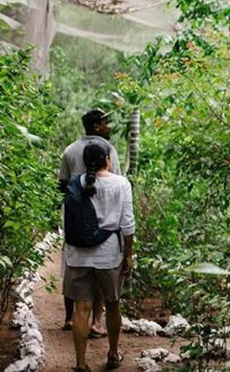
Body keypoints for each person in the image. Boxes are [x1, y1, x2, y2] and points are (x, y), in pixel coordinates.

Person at [64, 142, 135, 372]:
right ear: (107, 159)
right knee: (112, 304)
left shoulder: (76, 184)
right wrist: (128, 255)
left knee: (81, 308)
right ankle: (113, 353)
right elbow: (127, 224)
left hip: (78, 256)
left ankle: (80, 363)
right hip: (109, 256)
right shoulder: (121, 183)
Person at [59, 109, 122, 337]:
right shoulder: (109, 150)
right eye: (106, 122)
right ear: (96, 126)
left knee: (73, 268)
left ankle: (69, 318)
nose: (109, 126)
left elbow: (62, 185)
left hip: (74, 221)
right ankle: (96, 322)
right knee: (100, 274)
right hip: (102, 221)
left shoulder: (69, 150)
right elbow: (116, 180)